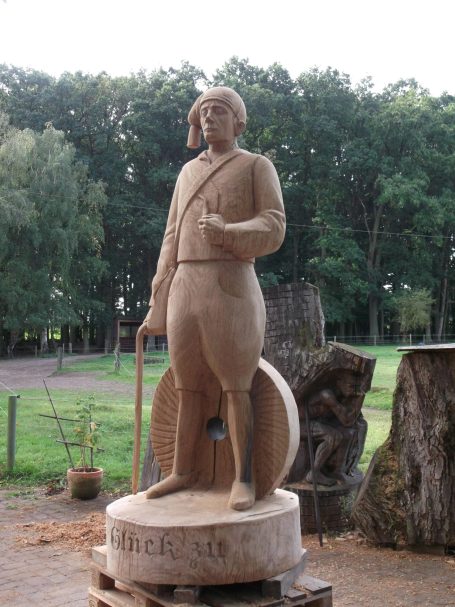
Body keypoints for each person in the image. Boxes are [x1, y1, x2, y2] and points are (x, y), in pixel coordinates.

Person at [144, 87, 285, 510]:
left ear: (238, 121)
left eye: (219, 111)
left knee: (236, 385)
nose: (209, 118)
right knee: (187, 384)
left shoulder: (256, 166)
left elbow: (274, 225)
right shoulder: (187, 172)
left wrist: (229, 232)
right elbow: (171, 234)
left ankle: (242, 477)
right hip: (186, 283)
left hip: (231, 283)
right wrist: (158, 297)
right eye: (204, 112)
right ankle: (183, 470)